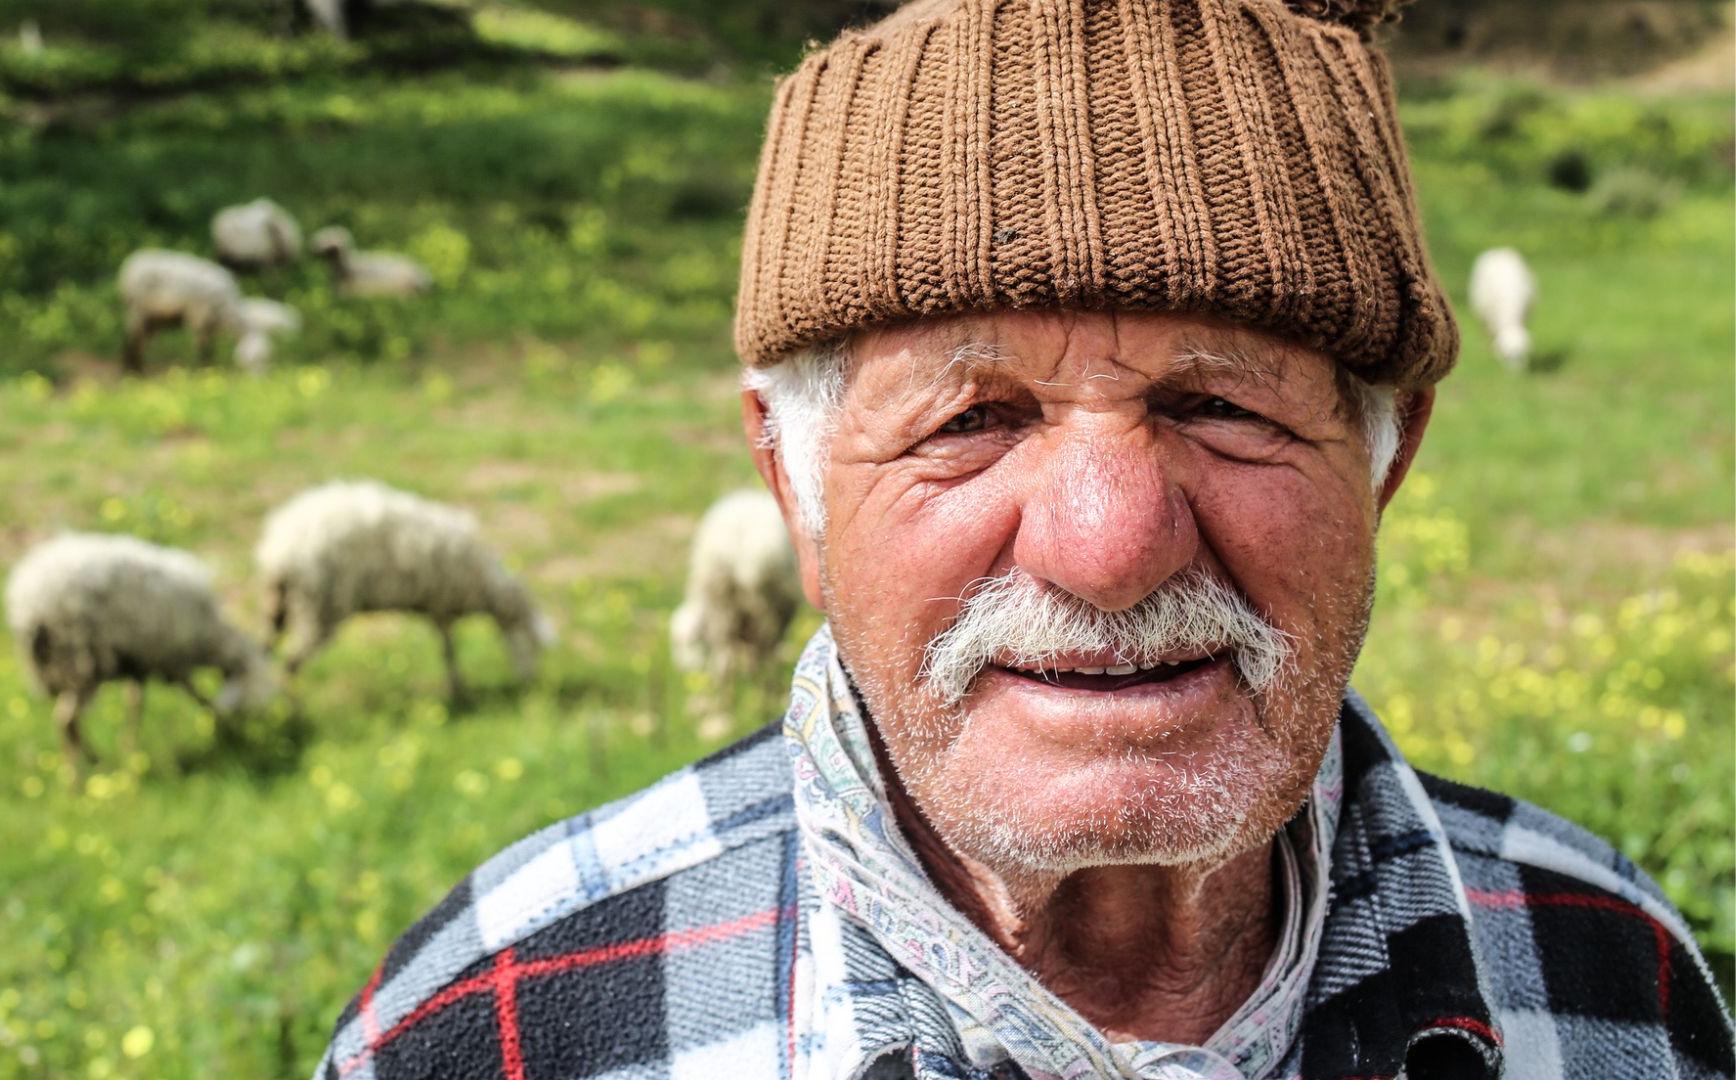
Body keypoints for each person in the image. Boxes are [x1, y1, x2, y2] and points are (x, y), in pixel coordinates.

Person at [313, 1, 1735, 1076]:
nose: (1108, 548)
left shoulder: (1621, 985)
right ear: (794, 487)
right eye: (972, 417)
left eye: (1220, 407)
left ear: (1386, 460)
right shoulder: (492, 1027)